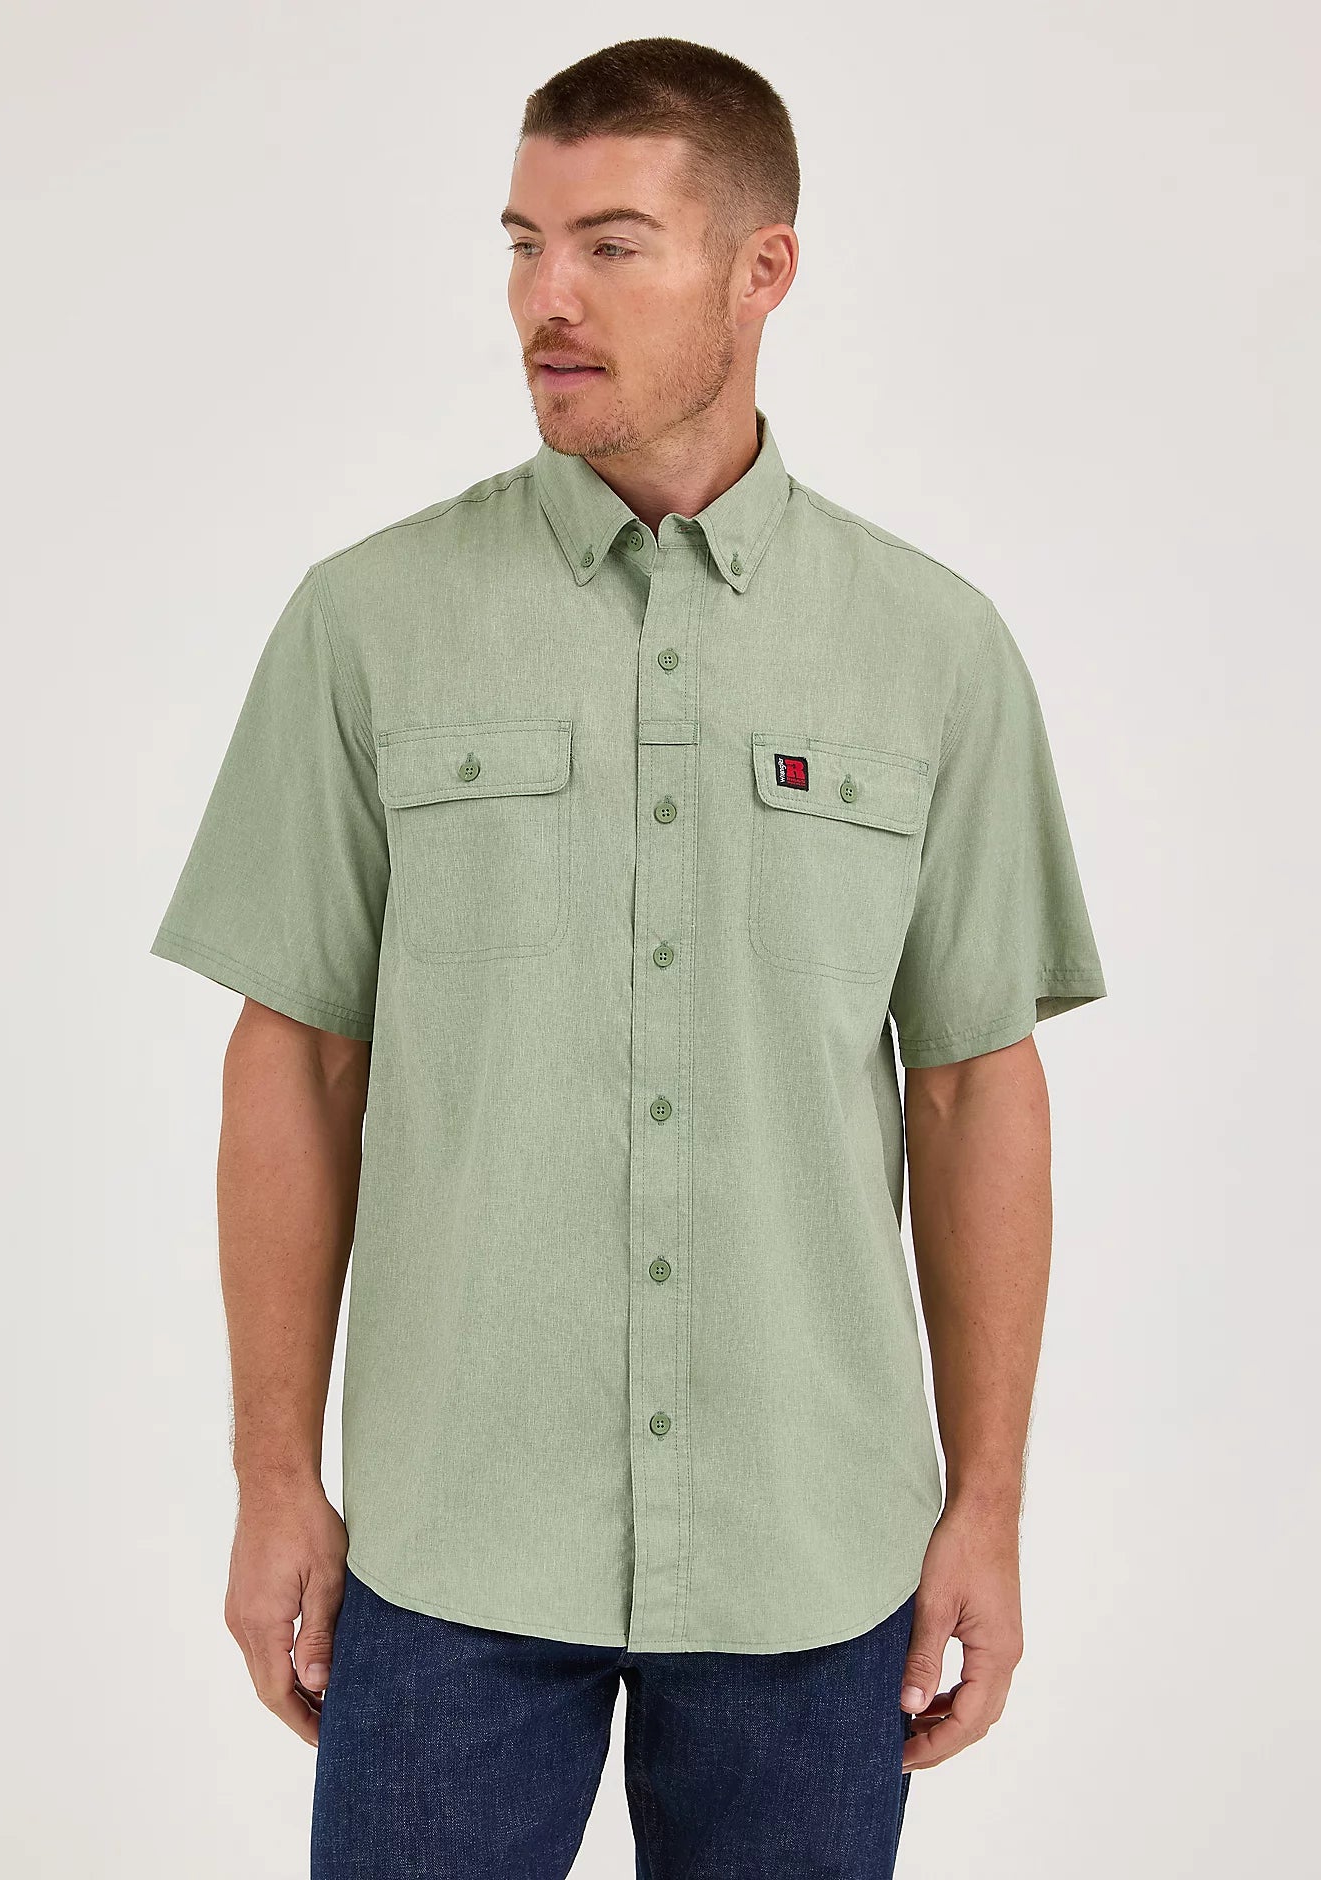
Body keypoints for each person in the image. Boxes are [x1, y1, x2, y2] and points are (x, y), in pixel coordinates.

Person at [148, 35, 1107, 1880]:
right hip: (448, 1551)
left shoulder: (935, 651)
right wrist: (275, 1478)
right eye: (523, 245)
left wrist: (987, 1502)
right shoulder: (368, 624)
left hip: (815, 1558)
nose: (547, 302)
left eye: (610, 246)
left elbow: (976, 1086)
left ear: (764, 270)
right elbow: (298, 1062)